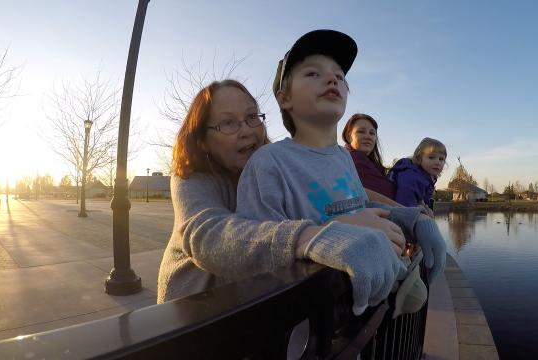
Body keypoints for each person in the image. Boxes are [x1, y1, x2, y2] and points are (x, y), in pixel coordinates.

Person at [236, 30, 445, 314]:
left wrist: (414, 219)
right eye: (312, 73)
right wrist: (337, 234)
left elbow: (357, 208)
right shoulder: (269, 162)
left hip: (358, 317)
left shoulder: (342, 160)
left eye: (340, 76)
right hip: (309, 328)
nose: (333, 79)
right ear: (285, 98)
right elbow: (256, 249)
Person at [157, 79, 409, 304]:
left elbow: (339, 195)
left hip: (259, 304)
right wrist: (318, 236)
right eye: (228, 123)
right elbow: (207, 235)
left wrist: (408, 216)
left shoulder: (273, 165)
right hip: (196, 317)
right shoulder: (191, 178)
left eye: (252, 117)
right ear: (202, 138)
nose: (247, 130)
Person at [342, 113, 399, 206]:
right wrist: (407, 209)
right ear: (349, 136)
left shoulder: (369, 162)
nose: (368, 136)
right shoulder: (352, 159)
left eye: (372, 133)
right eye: (361, 131)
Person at [389, 137, 447, 215]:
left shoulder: (424, 177)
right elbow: (405, 204)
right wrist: (422, 213)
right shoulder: (411, 177)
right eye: (431, 157)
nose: (437, 162)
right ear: (419, 158)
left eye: (441, 159)